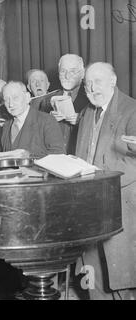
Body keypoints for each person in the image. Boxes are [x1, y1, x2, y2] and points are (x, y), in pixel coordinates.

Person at [75, 62, 136, 300]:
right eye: (87, 84)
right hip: (90, 204)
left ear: (113, 81)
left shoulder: (132, 109)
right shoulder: (87, 113)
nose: (91, 88)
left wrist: (100, 180)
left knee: (122, 279)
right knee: (94, 275)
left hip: (122, 205)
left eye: (97, 81)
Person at [38, 54, 90, 155]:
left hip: (80, 161)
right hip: (55, 160)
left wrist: (82, 121)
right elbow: (36, 136)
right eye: (63, 71)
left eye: (72, 71)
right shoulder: (47, 101)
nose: (67, 76)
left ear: (83, 74)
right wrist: (49, 120)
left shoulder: (91, 99)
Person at [0, 81, 65, 157]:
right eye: (6, 99)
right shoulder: (6, 126)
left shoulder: (47, 121)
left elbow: (59, 156)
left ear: (27, 97)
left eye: (15, 98)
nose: (11, 104)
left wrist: (29, 156)